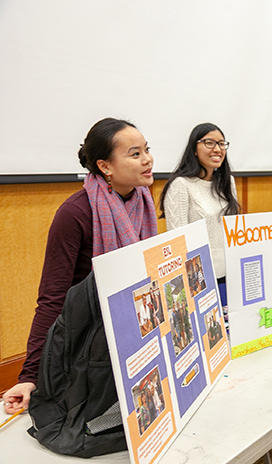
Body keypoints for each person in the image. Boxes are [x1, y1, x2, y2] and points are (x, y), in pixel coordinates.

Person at [3, 118, 157, 415]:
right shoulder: (74, 213)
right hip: (89, 347)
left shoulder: (142, 202)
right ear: (105, 166)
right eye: (135, 154)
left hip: (135, 331)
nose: (148, 159)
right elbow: (51, 298)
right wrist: (29, 376)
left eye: (147, 150)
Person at [160, 123, 240, 307]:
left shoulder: (228, 182)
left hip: (228, 275)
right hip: (198, 281)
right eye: (209, 143)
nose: (217, 149)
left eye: (221, 144)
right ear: (194, 149)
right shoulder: (181, 185)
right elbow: (177, 240)